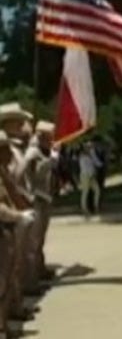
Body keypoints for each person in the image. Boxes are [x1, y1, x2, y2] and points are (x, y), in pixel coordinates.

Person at [0, 102, 38, 323]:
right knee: (6, 276)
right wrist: (18, 216)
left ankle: (11, 313)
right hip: (7, 221)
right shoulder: (13, 154)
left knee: (13, 269)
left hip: (12, 219)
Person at [22, 121, 59, 296]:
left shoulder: (40, 152)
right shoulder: (33, 152)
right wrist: (52, 159)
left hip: (44, 198)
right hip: (36, 198)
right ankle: (30, 281)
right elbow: (36, 175)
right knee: (33, 242)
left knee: (40, 239)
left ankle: (39, 270)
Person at [78, 142, 101, 216]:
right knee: (85, 191)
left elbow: (97, 162)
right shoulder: (82, 156)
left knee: (97, 190)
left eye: (91, 147)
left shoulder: (91, 154)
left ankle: (96, 206)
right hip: (85, 175)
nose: (90, 148)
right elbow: (85, 167)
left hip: (91, 175)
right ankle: (84, 208)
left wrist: (101, 164)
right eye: (89, 147)